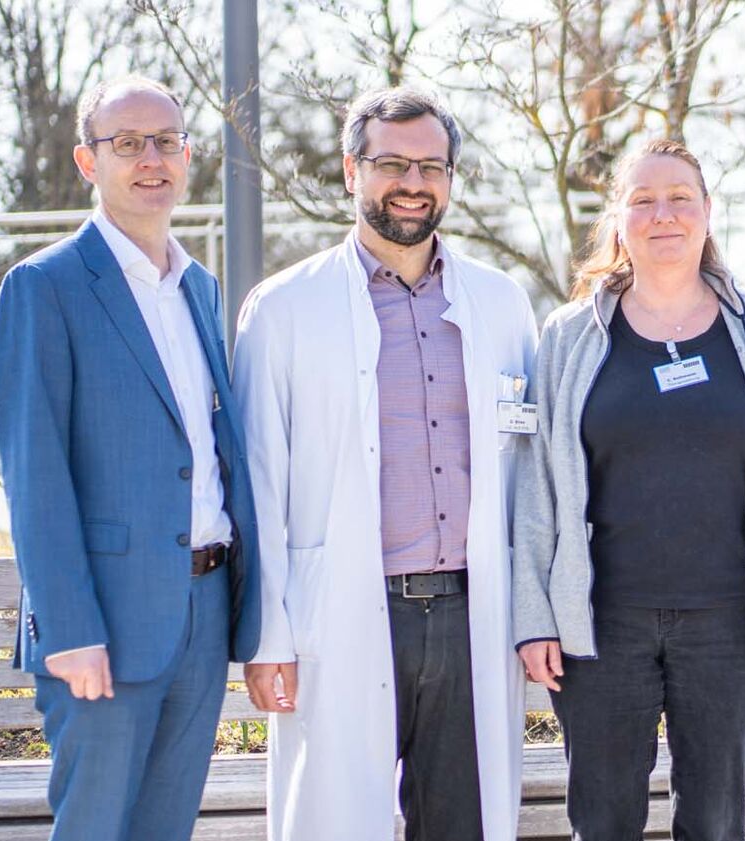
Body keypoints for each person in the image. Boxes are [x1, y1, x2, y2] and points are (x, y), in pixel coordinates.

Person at [233, 86, 537, 841]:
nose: (413, 183)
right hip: (340, 613)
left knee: (465, 825)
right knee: (338, 822)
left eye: (432, 166)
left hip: (473, 613)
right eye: (392, 163)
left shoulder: (502, 303)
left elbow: (532, 474)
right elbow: (258, 485)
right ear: (351, 171)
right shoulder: (283, 309)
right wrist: (267, 638)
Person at [510, 137, 745, 840]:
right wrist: (535, 617)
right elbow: (536, 487)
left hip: (731, 626)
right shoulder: (569, 336)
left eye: (680, 198)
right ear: (618, 219)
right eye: (644, 200)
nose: (664, 214)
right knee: (602, 822)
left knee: (715, 823)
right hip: (600, 626)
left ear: (707, 212)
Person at [0, 76, 261, 841]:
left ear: (188, 156)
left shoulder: (200, 288)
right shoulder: (44, 287)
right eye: (128, 143)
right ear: (88, 160)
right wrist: (69, 628)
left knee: (166, 829)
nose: (151, 159)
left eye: (166, 142)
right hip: (101, 625)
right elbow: (35, 476)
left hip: (203, 614)